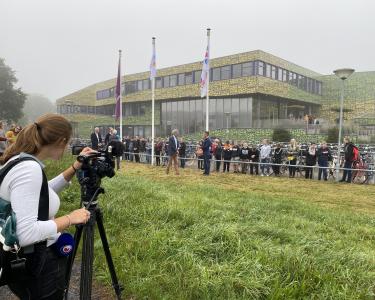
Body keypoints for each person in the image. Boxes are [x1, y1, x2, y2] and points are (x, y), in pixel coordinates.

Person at [0, 114, 91, 299]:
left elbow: (41, 191)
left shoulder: (19, 161)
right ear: (60, 141)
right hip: (38, 264)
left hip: (24, 262)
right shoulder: (30, 170)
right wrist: (70, 218)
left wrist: (75, 167)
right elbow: (25, 233)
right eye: (67, 143)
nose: (66, 149)